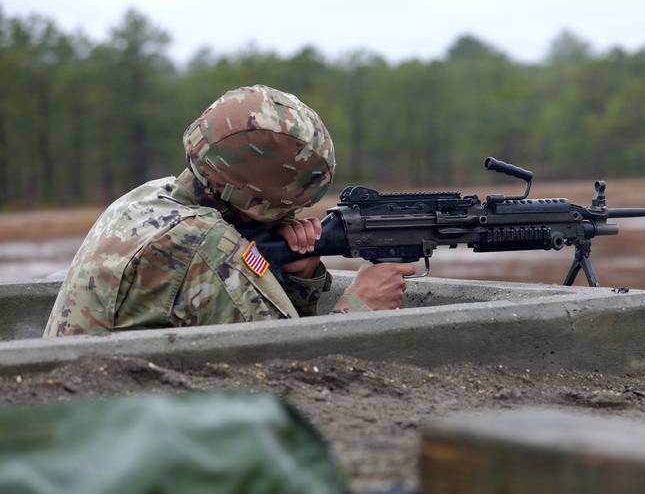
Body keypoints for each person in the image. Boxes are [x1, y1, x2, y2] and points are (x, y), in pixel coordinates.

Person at [44, 85, 415, 337]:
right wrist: (362, 305)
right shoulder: (207, 247)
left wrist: (297, 278)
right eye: (289, 207)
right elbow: (294, 374)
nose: (292, 217)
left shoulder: (147, 197)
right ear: (256, 203)